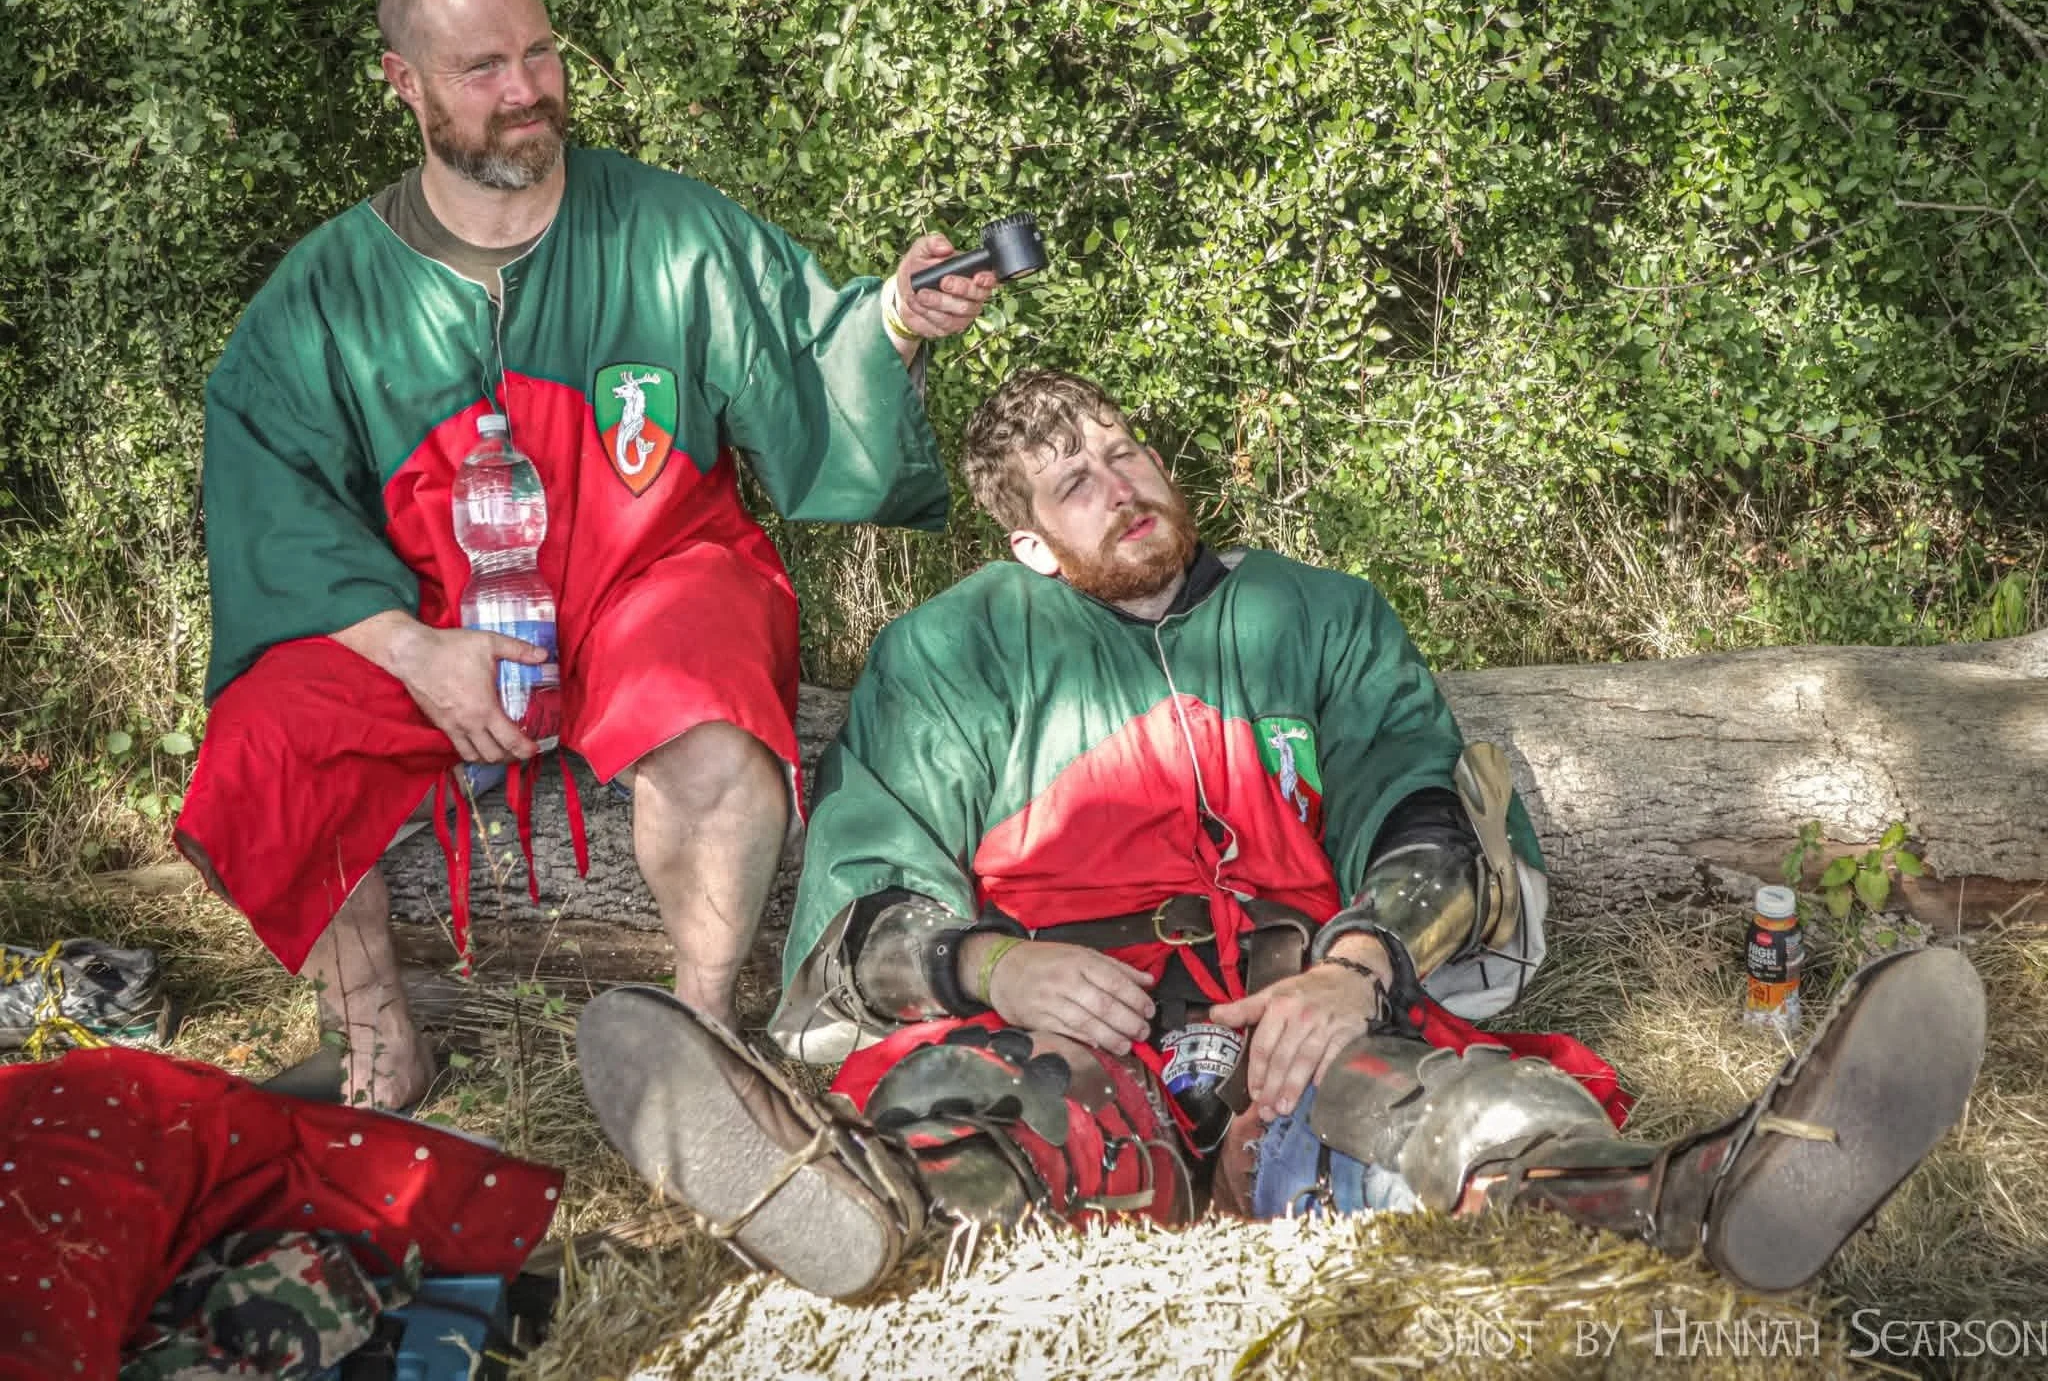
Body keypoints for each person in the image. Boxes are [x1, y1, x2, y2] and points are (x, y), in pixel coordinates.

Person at [576, 369, 1986, 1301]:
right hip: (1075, 1024)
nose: (1120, 482)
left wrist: (1355, 965)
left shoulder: (1318, 612)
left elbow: (1424, 808)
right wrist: (996, 967)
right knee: (997, 1111)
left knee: (1466, 1111)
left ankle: (1692, 1199)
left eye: (1125, 449)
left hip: (1300, 1008)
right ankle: (867, 1208)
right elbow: (869, 890)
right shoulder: (955, 649)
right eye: (1074, 481)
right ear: (1027, 542)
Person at [173, 0, 997, 1110]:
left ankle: (700, 1046)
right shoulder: (327, 291)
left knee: (708, 711)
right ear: (402, 81)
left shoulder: (669, 231)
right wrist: (412, 650)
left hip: (650, 574)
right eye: (481, 68)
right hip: (435, 616)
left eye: (539, 53)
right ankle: (380, 1044)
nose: (524, 90)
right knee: (263, 746)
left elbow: (807, 344)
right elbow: (275, 505)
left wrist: (899, 322)